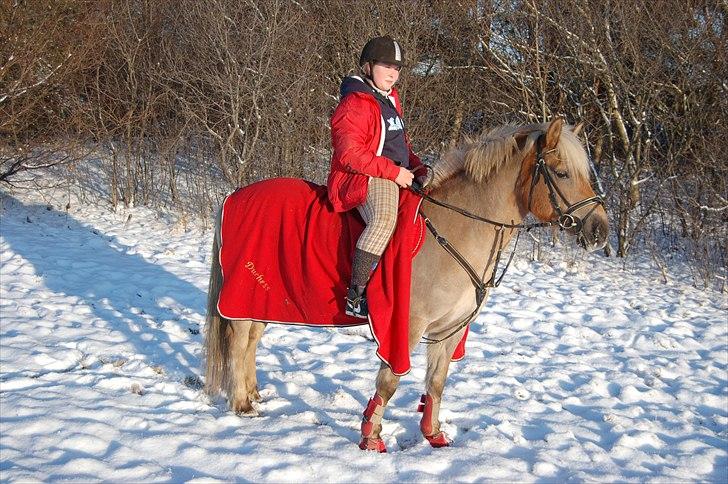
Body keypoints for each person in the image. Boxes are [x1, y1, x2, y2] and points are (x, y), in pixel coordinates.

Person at [327, 35, 431, 319]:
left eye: (397, 68)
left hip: (393, 172)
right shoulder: (356, 103)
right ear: (368, 67)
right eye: (386, 66)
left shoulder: (390, 100)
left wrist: (418, 168)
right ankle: (356, 295)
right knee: (385, 218)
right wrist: (394, 172)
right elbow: (349, 154)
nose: (392, 73)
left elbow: (400, 146)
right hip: (360, 176)